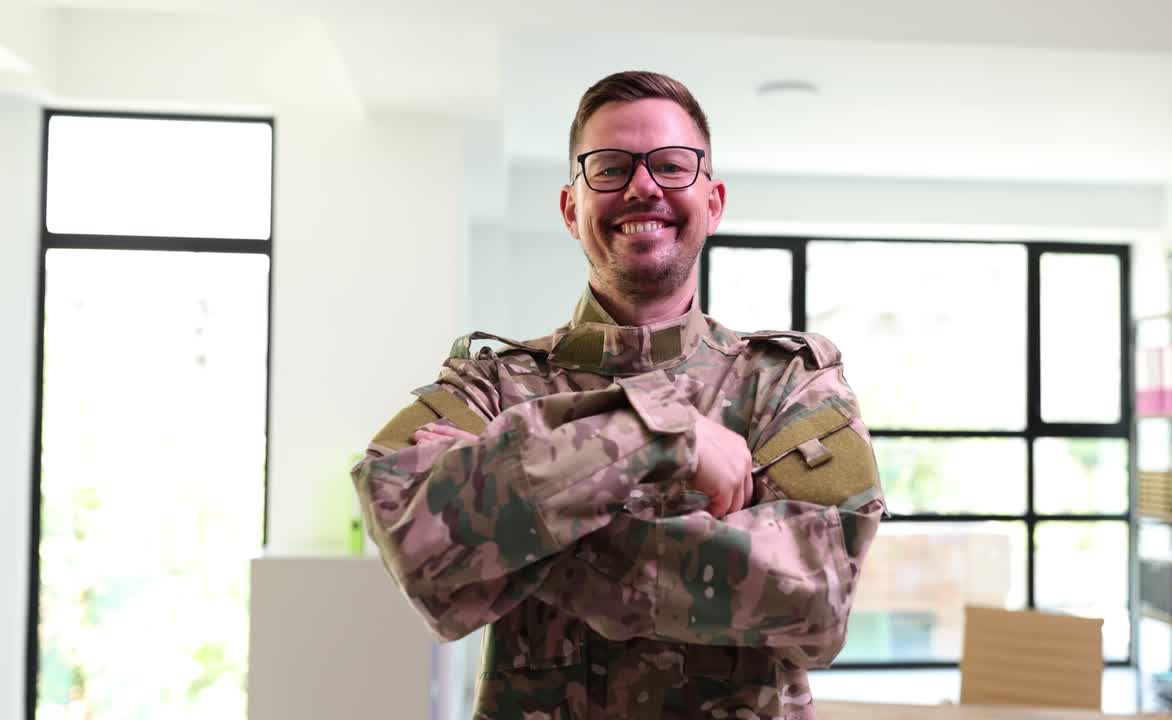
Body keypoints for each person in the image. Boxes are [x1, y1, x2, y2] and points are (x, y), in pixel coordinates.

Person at [352, 70, 884, 720]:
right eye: (609, 167)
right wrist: (659, 435)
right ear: (571, 208)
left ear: (712, 202)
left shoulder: (785, 382)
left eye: (670, 165)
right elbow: (411, 535)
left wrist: (529, 533)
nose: (642, 187)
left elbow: (817, 602)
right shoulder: (494, 383)